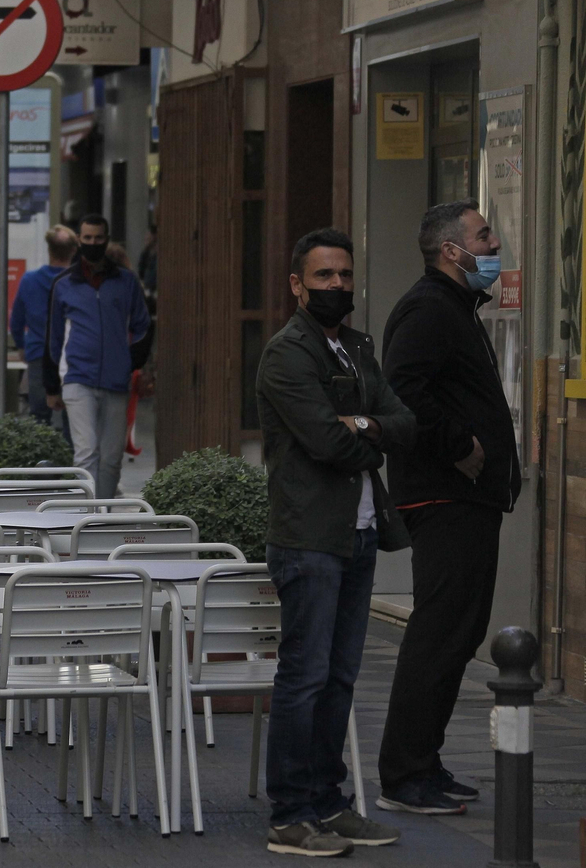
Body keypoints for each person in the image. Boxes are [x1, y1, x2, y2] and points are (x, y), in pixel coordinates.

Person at [255, 228, 413, 857]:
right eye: (323, 277)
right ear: (297, 285)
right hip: (310, 537)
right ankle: (291, 815)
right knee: (305, 677)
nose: (337, 286)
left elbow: (405, 422)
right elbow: (326, 442)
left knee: (341, 677)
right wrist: (364, 429)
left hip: (362, 531)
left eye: (344, 275)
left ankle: (330, 802)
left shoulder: (355, 346)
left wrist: (367, 422)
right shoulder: (287, 354)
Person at [377, 200, 520, 814]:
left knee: (459, 633)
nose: (493, 247)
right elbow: (403, 390)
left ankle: (424, 764)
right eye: (483, 237)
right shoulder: (429, 307)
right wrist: (460, 445)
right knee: (439, 635)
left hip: (468, 496)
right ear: (450, 251)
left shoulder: (455, 308)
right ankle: (404, 775)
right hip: (445, 496)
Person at [40, 214, 151, 498]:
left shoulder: (126, 282)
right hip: (78, 378)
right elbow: (52, 337)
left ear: (106, 239)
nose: (92, 243)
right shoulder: (63, 284)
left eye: (98, 238)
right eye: (87, 238)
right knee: (87, 451)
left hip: (117, 380)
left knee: (112, 457)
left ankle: (102, 514)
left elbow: (143, 325)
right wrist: (51, 386)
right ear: (79, 240)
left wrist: (132, 362)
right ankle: (85, 518)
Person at [10, 225, 77, 424]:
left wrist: (21, 345)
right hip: (72, 356)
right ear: (73, 251)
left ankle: (41, 455)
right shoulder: (77, 282)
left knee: (39, 416)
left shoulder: (30, 280)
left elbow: (17, 320)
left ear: (49, 250)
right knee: (73, 416)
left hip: (38, 353)